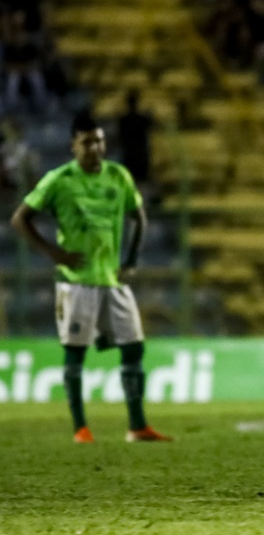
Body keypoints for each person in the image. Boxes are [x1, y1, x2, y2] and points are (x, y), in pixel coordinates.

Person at [10, 113, 171, 444]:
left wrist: (130, 260)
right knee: (76, 352)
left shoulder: (117, 175)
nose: (94, 147)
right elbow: (20, 218)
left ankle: (137, 426)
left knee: (133, 347)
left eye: (98, 140)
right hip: (76, 281)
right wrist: (54, 253)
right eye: (86, 142)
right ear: (73, 145)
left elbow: (138, 216)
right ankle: (80, 428)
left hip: (112, 279)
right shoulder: (59, 179)